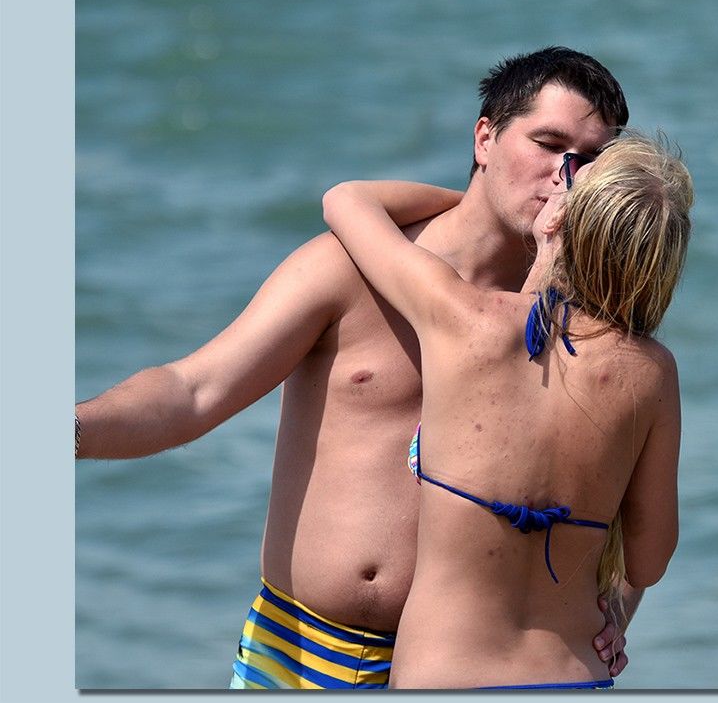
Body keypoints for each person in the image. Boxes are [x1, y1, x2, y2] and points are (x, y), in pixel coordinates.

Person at [75, 47, 634, 689]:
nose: (566, 174)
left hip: (462, 669)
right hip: (294, 652)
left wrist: (615, 609)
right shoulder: (350, 267)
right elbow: (192, 390)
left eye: (591, 160)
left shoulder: (582, 321)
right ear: (485, 137)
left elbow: (622, 502)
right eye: (548, 144)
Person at [321, 132, 692, 689]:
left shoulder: (462, 317)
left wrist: (487, 204)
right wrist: (611, 612)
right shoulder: (652, 373)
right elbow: (648, 562)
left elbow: (346, 200)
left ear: (561, 219)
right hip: (572, 675)